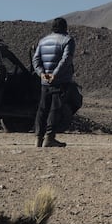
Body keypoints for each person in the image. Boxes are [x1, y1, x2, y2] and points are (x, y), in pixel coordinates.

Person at [31, 17, 75, 148]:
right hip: (60, 80)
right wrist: (54, 75)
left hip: (45, 81)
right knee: (55, 109)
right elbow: (66, 60)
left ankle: (38, 138)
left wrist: (42, 74)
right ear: (65, 27)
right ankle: (49, 138)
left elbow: (36, 60)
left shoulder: (43, 41)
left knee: (42, 108)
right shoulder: (68, 40)